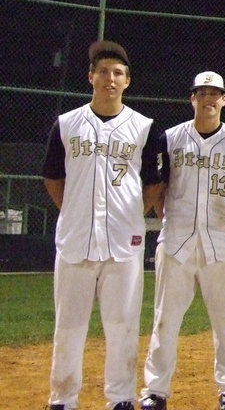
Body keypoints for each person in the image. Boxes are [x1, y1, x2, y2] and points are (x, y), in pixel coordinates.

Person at [42, 40, 161, 410]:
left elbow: (155, 184)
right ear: (90, 76)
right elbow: (52, 177)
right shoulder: (66, 124)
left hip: (123, 243)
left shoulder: (144, 128)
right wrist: (73, 210)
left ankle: (122, 397)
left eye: (118, 73)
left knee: (123, 326)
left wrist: (131, 215)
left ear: (127, 81)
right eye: (104, 71)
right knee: (69, 327)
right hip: (76, 241)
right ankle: (62, 399)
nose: (110, 78)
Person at [140, 71, 225, 410]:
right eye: (201, 92)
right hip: (176, 242)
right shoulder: (170, 138)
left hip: (220, 243)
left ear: (224, 99)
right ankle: (155, 391)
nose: (208, 98)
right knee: (165, 318)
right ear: (192, 98)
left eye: (214, 93)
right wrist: (167, 216)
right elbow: (158, 185)